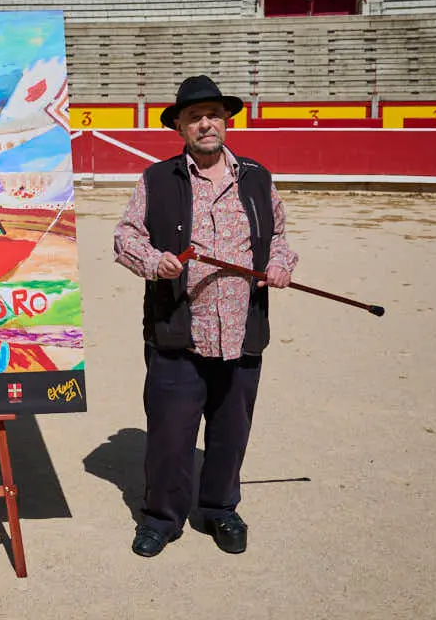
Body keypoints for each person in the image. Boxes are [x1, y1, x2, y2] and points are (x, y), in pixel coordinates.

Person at [112, 74, 298, 558]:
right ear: (179, 127)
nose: (206, 123)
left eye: (213, 114)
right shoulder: (157, 178)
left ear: (227, 120)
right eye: (194, 117)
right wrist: (156, 262)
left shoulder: (257, 177)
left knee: (231, 430)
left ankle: (219, 509)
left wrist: (279, 265)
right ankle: (161, 517)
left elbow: (278, 236)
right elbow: (126, 238)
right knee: (171, 434)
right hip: (178, 330)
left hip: (243, 331)